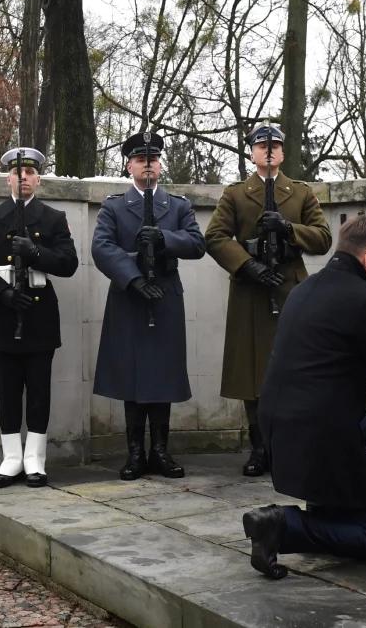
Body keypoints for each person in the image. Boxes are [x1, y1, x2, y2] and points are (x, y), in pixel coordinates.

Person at [242, 215, 366, 574]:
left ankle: (323, 510)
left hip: (277, 426)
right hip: (319, 433)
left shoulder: (304, 289)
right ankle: (279, 526)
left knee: (365, 425)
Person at [204, 122, 331, 476]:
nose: (269, 150)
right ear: (252, 152)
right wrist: (247, 266)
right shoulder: (236, 194)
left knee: (294, 370)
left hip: (290, 287)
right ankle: (260, 448)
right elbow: (214, 237)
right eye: (262, 145)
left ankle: (290, 446)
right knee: (253, 373)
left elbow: (323, 237)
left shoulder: (301, 193)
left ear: (283, 152)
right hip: (251, 289)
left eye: (275, 144)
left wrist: (289, 229)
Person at [0, 147, 79, 488]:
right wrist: (2, 293)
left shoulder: (53, 217)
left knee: (39, 390)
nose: (23, 177)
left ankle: (35, 457)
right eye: (17, 172)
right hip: (4, 313)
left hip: (39, 313)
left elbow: (69, 263)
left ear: (38, 178)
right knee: (7, 390)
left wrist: (37, 253)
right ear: (8, 178)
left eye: (29, 172)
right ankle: (12, 456)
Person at [92, 132, 205, 480]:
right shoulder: (113, 206)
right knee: (132, 376)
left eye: (153, 159)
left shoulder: (178, 205)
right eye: (141, 159)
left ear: (160, 164)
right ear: (129, 165)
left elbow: (197, 243)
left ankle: (160, 451)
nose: (148, 165)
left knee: (163, 375)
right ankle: (135, 453)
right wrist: (133, 277)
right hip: (130, 296)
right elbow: (102, 248)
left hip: (166, 294)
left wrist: (165, 238)